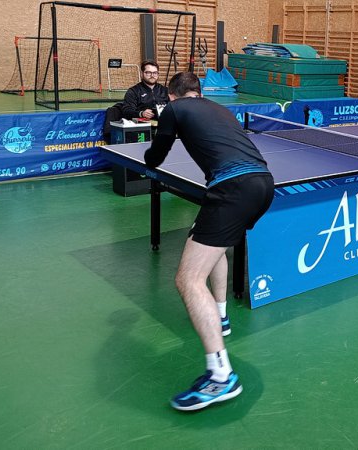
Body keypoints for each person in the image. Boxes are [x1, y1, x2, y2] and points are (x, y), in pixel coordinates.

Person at [144, 72, 274, 411]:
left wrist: (148, 155)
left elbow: (156, 156)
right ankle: (221, 315)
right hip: (262, 183)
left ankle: (221, 376)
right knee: (209, 244)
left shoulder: (173, 109)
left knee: (188, 279)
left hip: (232, 189)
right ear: (198, 92)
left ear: (172, 95)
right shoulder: (220, 108)